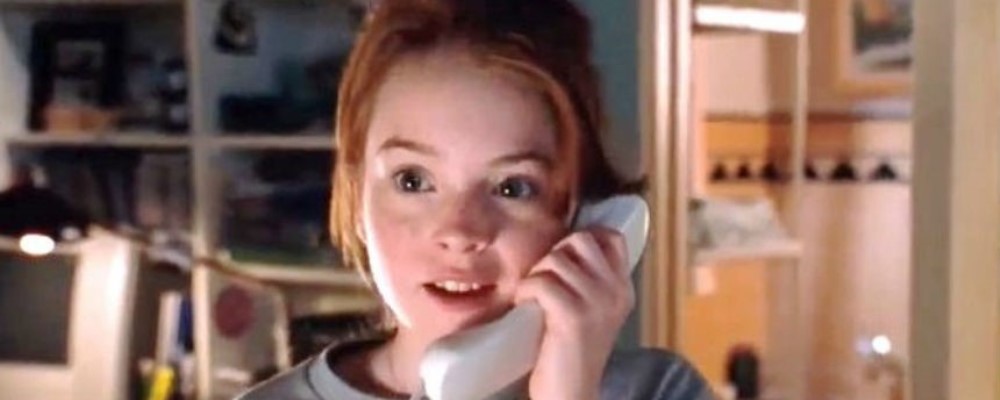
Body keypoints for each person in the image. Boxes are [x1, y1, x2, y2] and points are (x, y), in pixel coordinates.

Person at [239, 0, 713, 398]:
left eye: (512, 187)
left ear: (578, 211)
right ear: (356, 193)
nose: (459, 232)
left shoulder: (660, 389)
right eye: (412, 181)